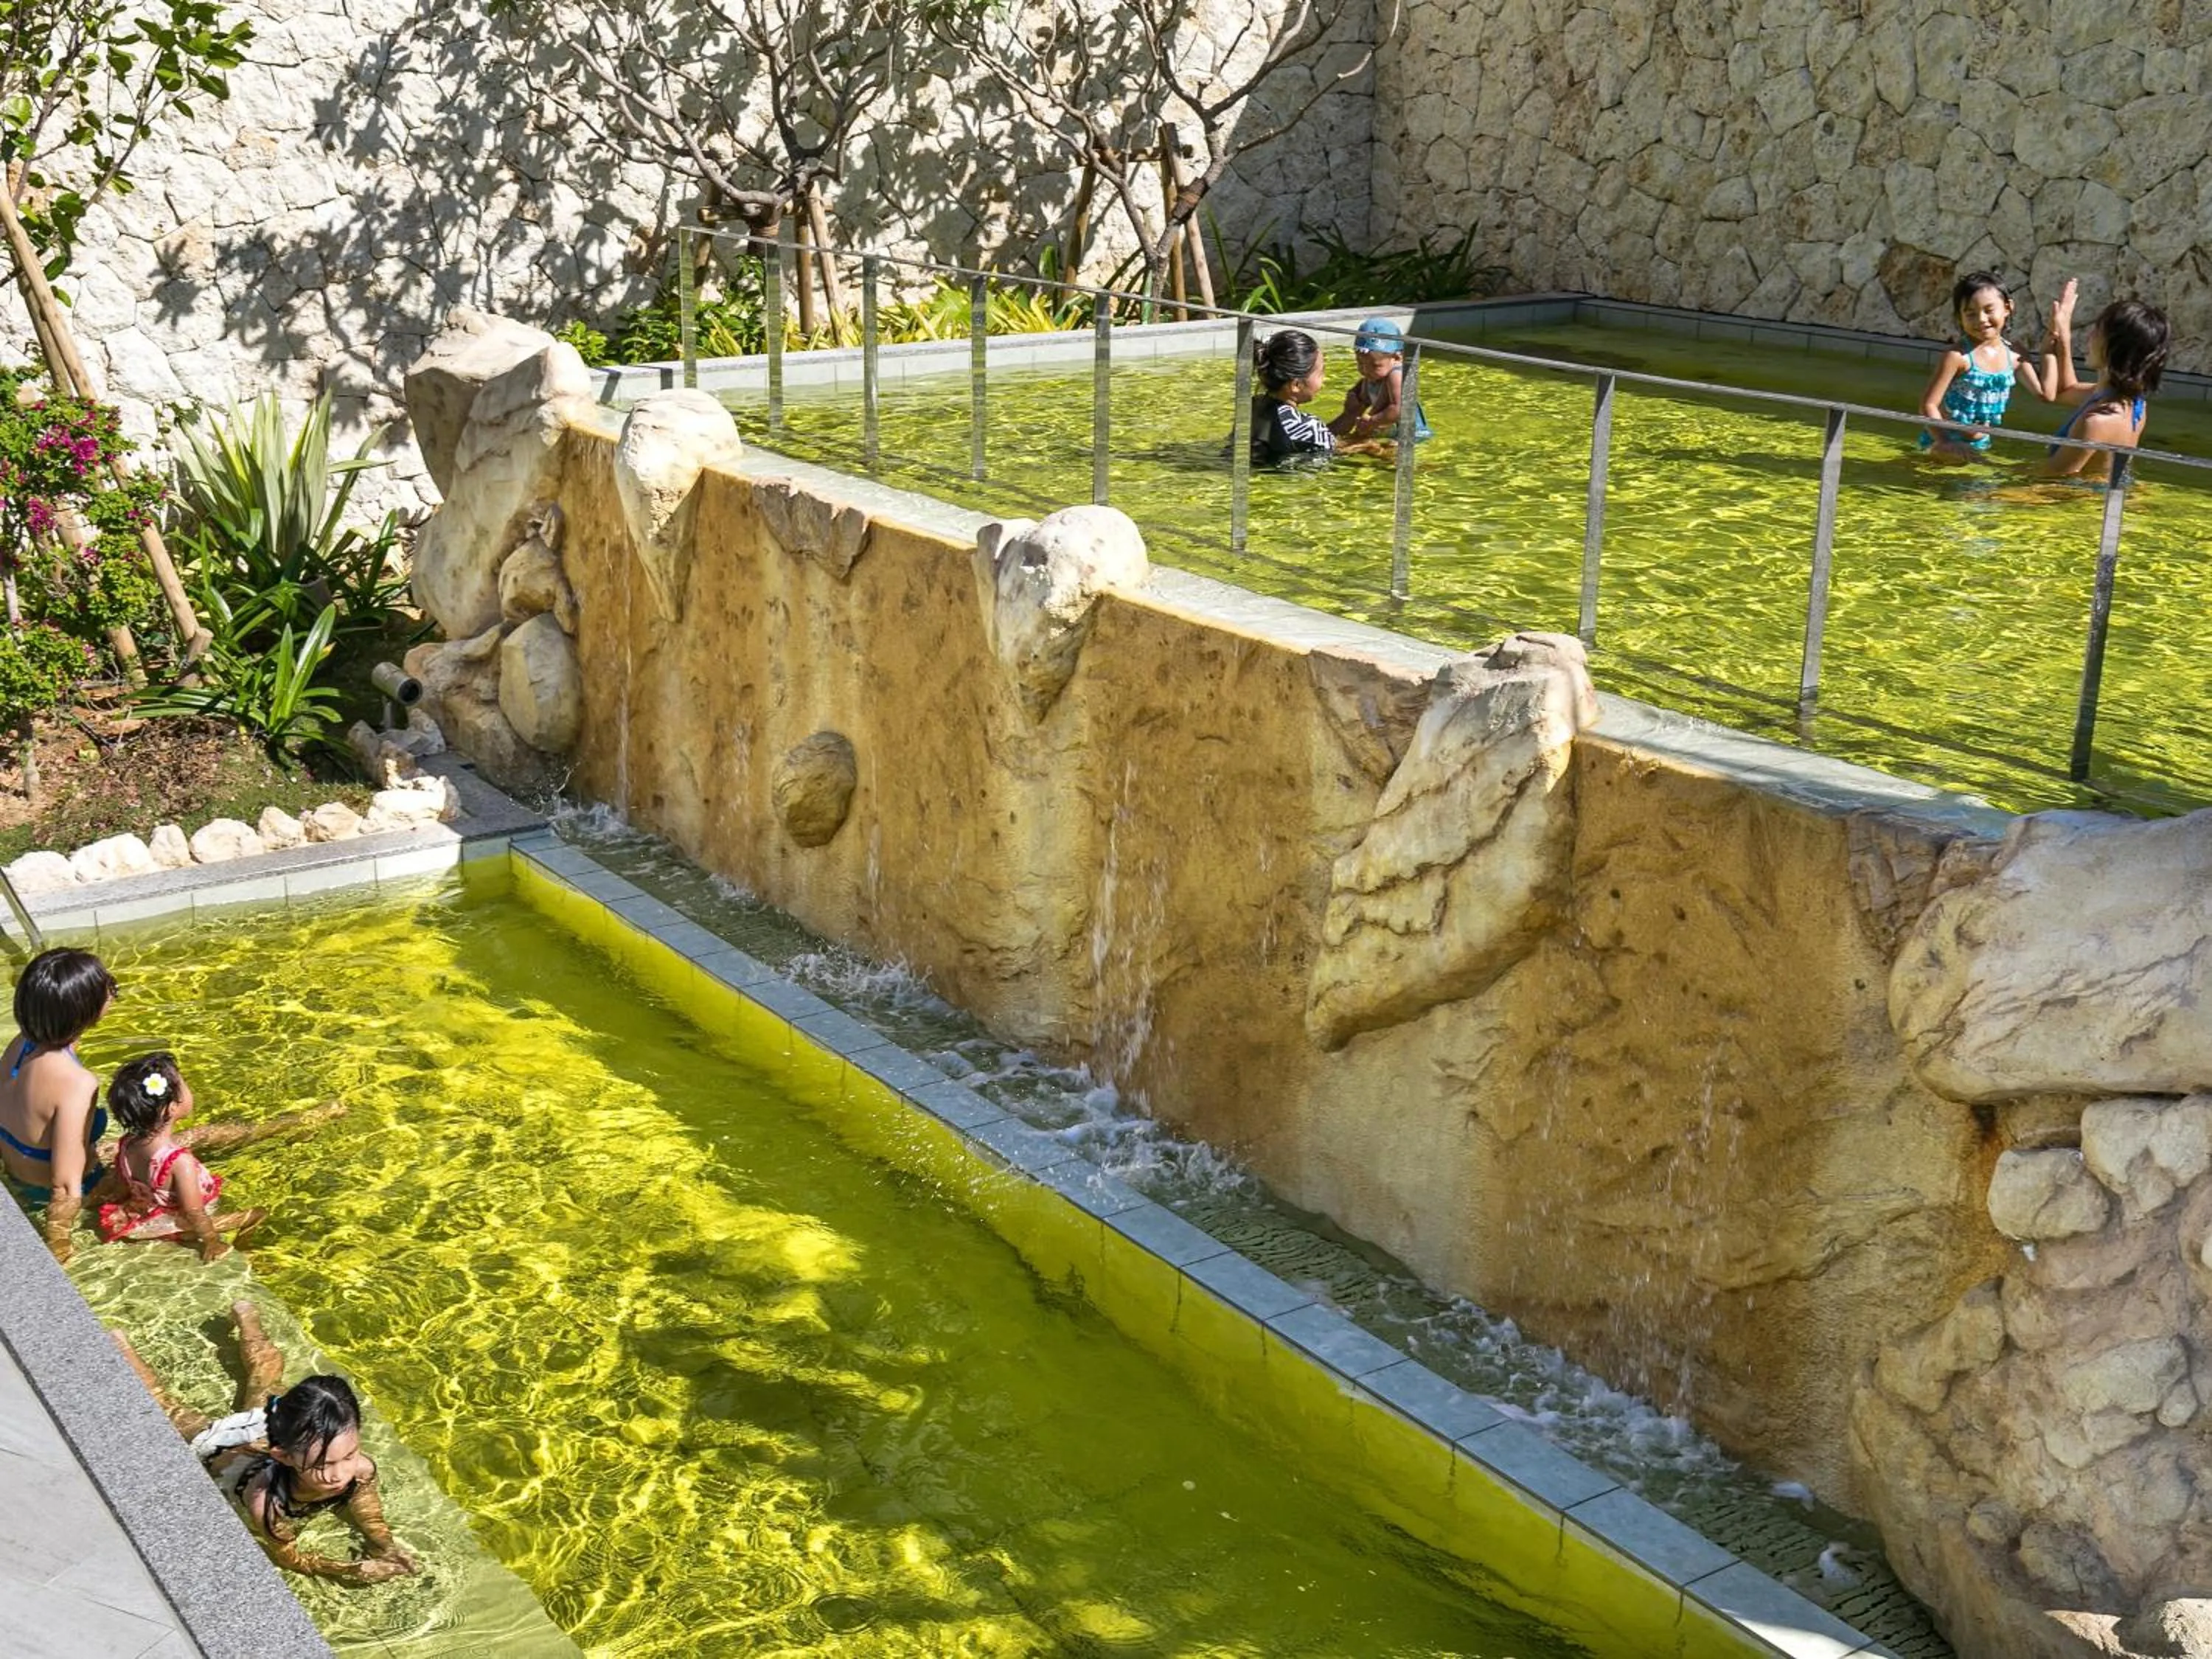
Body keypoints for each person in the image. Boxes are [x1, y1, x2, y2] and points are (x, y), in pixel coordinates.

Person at [116, 1302, 418, 1583]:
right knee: (165, 1407)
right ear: (284, 1457)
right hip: (225, 1447)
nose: (340, 1474)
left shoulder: (358, 1467)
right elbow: (291, 1559)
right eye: (325, 1465)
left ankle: (248, 1318)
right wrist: (349, 1569)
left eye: (349, 1455)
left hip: (278, 1427)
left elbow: (365, 1504)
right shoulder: (266, 1502)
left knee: (267, 1377)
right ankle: (119, 1347)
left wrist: (384, 1545)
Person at [94, 1054, 338, 1259]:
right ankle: (246, 1250)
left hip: (145, 1216)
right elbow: (195, 1212)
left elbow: (122, 1184)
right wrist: (211, 1241)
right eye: (184, 1084)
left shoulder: (128, 1144)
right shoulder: (180, 1162)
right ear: (172, 1107)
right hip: (174, 1225)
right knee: (258, 1213)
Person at [0, 947, 119, 1261]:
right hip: (55, 1193)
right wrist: (60, 1249)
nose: (111, 989)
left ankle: (259, 1131)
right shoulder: (77, 1084)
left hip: (17, 1175)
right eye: (106, 986)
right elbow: (65, 1187)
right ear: (84, 1011)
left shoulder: (21, 1045)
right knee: (165, 1159)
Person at [2040, 280, 2170, 481]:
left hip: (2082, 507)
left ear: (2116, 349)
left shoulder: (2097, 422)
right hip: (2098, 502)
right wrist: (2063, 334)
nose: (2089, 337)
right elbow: (2065, 391)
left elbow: (2050, 480)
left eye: (2097, 332)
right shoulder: (2133, 404)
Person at [1918, 272, 2053, 456]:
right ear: (1960, 318)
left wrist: (2050, 347)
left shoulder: (2015, 354)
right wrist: (1945, 442)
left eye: (1989, 310)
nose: (1981, 319)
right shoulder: (1958, 356)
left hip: (1981, 444)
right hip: (1945, 442)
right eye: (1971, 314)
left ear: (2007, 308)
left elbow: (2046, 394)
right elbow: (1928, 405)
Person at [1244, 329, 1390, 466]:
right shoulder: (1309, 427)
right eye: (1321, 373)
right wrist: (1368, 445)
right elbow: (1334, 448)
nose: (1324, 379)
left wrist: (1350, 415)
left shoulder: (1253, 406)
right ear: (1296, 385)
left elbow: (1314, 437)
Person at [1329, 317, 1432, 443]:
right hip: (1390, 431)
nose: (1366, 370)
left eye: (1375, 365)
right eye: (1360, 363)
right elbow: (1357, 404)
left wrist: (1372, 422)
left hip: (1412, 434)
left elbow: (1399, 408)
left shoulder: (1396, 374)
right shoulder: (1371, 378)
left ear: (1397, 358)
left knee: (1377, 452)